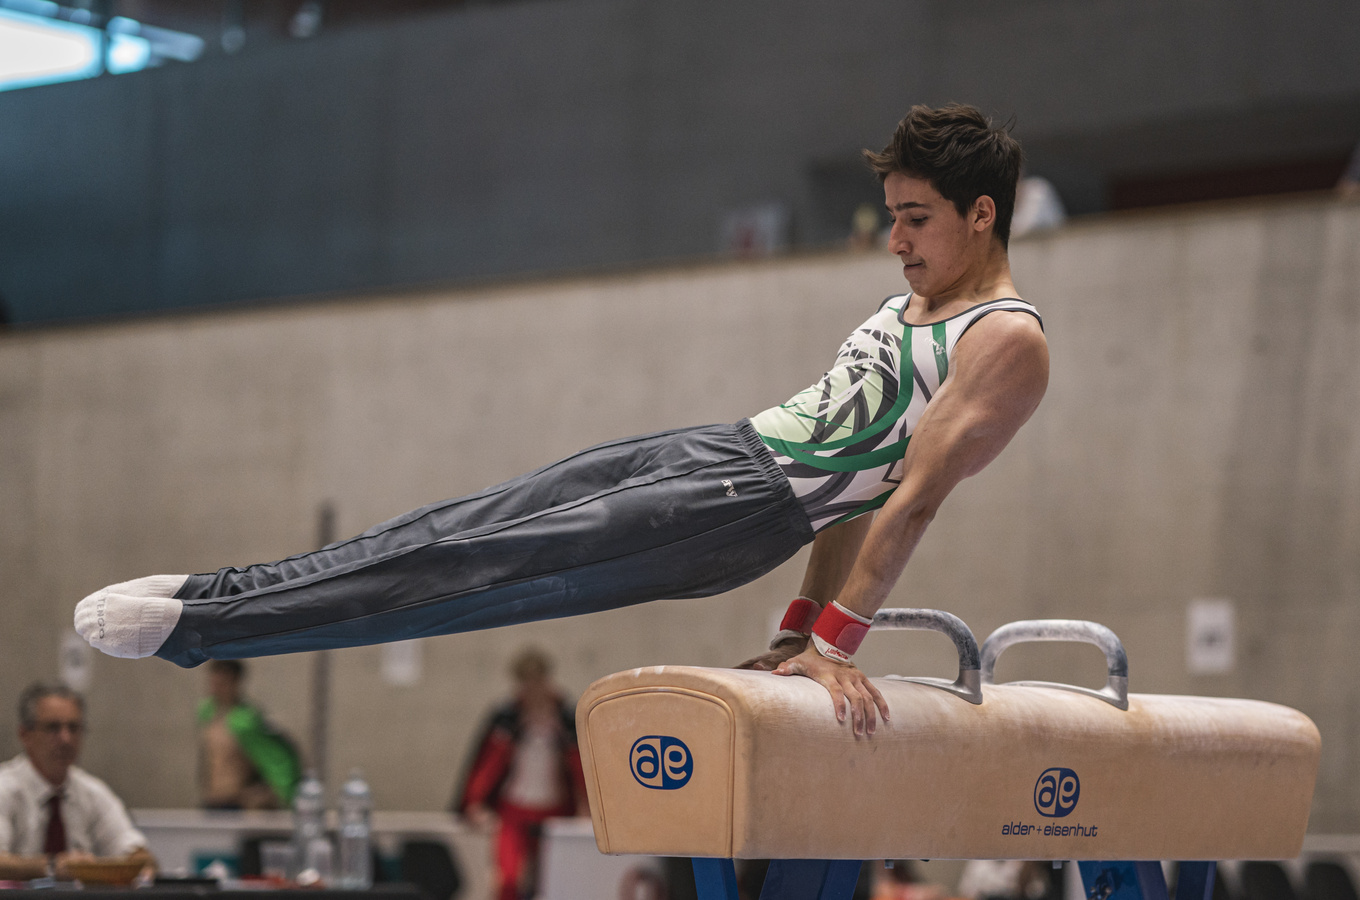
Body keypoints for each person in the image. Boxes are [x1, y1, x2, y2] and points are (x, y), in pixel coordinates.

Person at [73, 102, 1050, 738]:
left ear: (978, 214)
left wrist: (836, 646)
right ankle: (214, 591)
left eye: (913, 217)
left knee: (472, 572)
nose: (893, 241)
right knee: (462, 525)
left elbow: (906, 504)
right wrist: (798, 630)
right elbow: (852, 499)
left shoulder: (1004, 341)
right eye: (889, 214)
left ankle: (207, 627)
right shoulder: (913, 305)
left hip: (737, 510)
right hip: (719, 449)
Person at [455, 647, 585, 900]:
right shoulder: (506, 716)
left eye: (538, 682)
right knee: (509, 881)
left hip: (556, 809)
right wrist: (474, 802)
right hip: (513, 810)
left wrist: (586, 808)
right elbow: (485, 764)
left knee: (555, 880)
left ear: (548, 680)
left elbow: (582, 767)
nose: (533, 690)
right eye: (527, 684)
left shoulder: (568, 716)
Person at [0, 684, 155, 881]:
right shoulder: (4, 789)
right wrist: (52, 867)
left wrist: (139, 863)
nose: (66, 739)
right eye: (53, 728)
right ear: (25, 735)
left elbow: (140, 856)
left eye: (74, 728)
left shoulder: (93, 792)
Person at [196, 660, 300, 810]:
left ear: (236, 682)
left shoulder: (246, 721)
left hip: (236, 802)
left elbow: (275, 758)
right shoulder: (207, 713)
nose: (216, 688)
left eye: (223, 682)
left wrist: (275, 792)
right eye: (214, 681)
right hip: (211, 800)